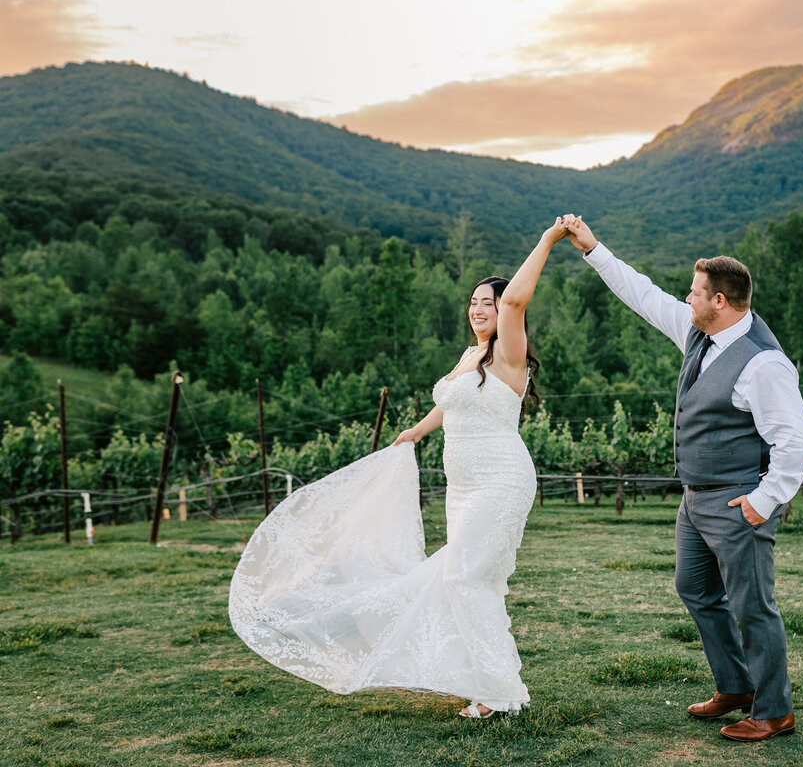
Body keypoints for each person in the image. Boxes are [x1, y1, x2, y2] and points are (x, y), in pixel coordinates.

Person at [229, 217, 570, 720]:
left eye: (489, 303)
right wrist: (416, 430)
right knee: (478, 581)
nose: (479, 310)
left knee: (464, 578)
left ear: (504, 311)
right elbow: (452, 403)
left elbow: (518, 300)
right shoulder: (471, 354)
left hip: (501, 478)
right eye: (473, 302)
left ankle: (499, 695)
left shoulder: (509, 353)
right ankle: (503, 690)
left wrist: (546, 240)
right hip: (463, 484)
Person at [562, 214, 803, 743]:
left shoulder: (763, 364)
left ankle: (774, 711)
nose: (687, 298)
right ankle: (736, 687)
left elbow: (794, 442)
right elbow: (645, 295)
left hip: (737, 503)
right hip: (695, 501)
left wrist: (761, 502)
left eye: (695, 292)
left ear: (720, 300)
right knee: (695, 589)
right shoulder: (700, 334)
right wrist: (592, 249)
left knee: (753, 605)